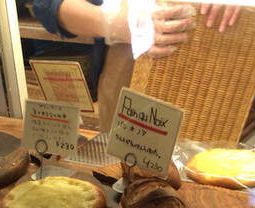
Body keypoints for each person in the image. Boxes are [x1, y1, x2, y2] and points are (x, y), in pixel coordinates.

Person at [31, 1, 240, 129]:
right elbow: (47, 5)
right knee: (125, 175)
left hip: (220, 75)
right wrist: (111, 23)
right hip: (126, 69)